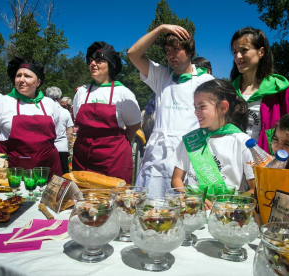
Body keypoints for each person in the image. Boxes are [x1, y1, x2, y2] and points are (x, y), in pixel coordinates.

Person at [128, 24, 214, 197]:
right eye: (167, 50)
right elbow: (133, 54)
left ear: (190, 52)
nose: (171, 55)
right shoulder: (162, 76)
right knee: (152, 210)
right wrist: (160, 29)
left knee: (187, 212)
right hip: (158, 157)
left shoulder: (206, 81)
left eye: (176, 49)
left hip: (191, 157)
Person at [172, 79, 255, 205]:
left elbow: (255, 188)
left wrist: (230, 204)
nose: (196, 112)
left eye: (202, 106)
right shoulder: (190, 140)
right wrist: (192, 198)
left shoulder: (243, 142)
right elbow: (177, 179)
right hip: (194, 212)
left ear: (223, 107)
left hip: (228, 215)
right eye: (195, 107)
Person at [72, 41, 141, 184]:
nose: (93, 64)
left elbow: (134, 124)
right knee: (83, 201)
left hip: (113, 158)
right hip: (83, 156)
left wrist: (114, 144)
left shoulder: (123, 93)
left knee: (114, 201)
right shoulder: (82, 92)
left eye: (99, 60)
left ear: (111, 65)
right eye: (91, 60)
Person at [0, 57, 61, 180]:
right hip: (13, 170)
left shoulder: (49, 104)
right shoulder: (2, 102)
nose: (21, 80)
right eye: (18, 75)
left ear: (38, 82)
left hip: (47, 169)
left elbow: (55, 132)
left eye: (27, 76)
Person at [230, 27, 289, 153]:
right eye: (235, 52)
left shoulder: (279, 88)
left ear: (261, 52)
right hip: (233, 158)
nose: (238, 56)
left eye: (244, 50)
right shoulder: (229, 90)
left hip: (268, 160)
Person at [46, 86, 74, 175]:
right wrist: (69, 148)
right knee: (63, 175)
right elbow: (69, 132)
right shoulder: (65, 112)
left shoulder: (43, 110)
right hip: (61, 147)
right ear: (59, 98)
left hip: (46, 147)